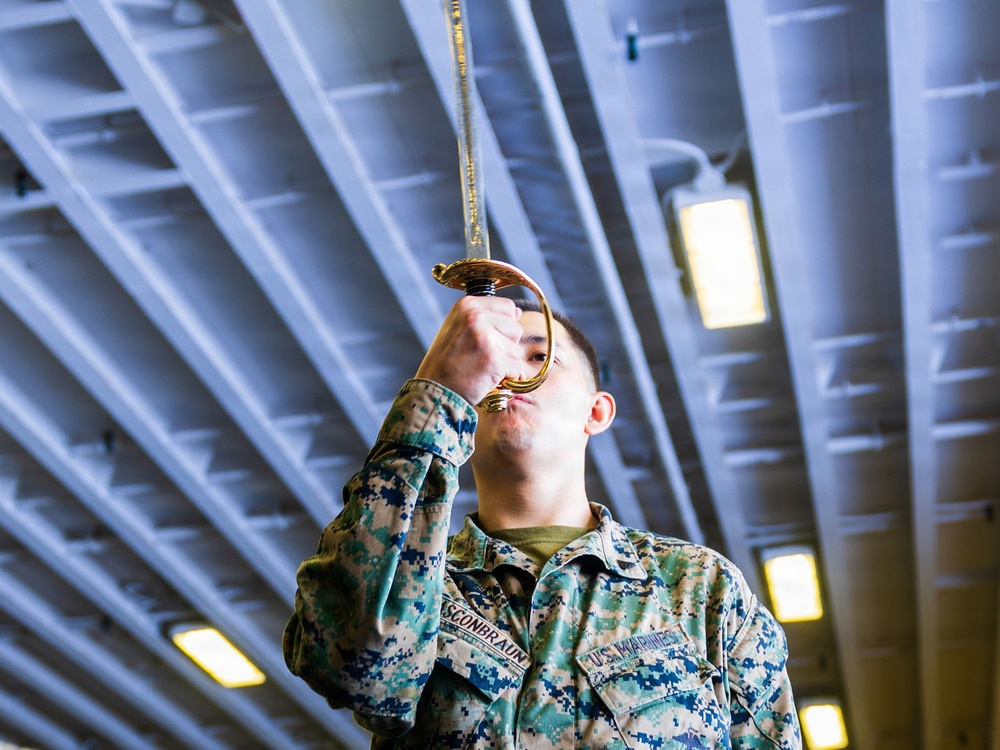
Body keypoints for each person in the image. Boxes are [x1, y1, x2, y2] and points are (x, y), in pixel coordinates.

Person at [283, 296, 800, 749]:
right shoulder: (419, 584)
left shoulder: (697, 587)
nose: (511, 374)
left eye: (537, 357)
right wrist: (434, 393)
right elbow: (356, 672)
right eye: (493, 363)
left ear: (596, 412)